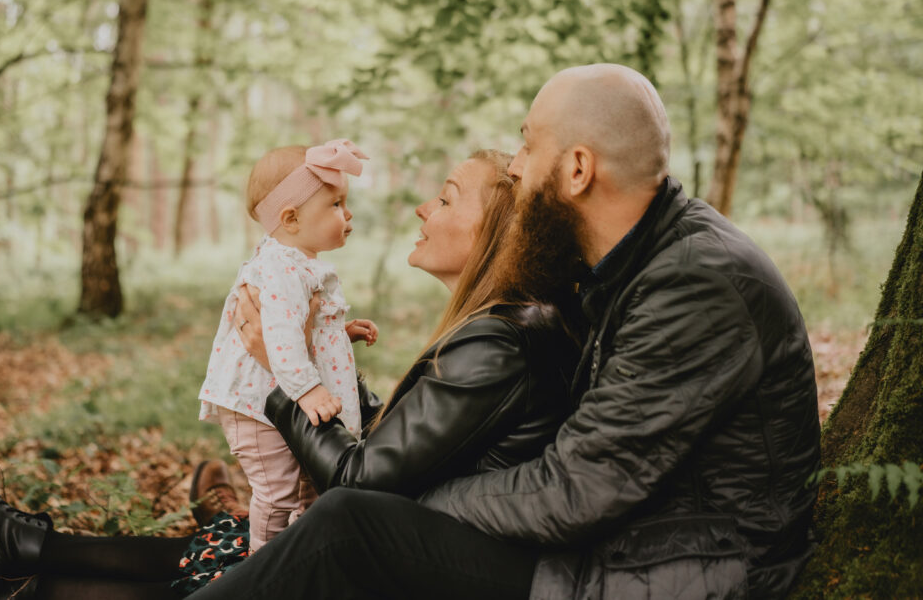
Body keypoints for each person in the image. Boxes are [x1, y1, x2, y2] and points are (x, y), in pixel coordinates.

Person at [178, 63, 821, 599]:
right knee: (347, 520)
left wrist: (410, 499)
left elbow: (575, 489)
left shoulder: (694, 282)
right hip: (636, 543)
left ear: (576, 169)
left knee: (350, 524)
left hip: (683, 571)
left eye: (527, 144)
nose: (516, 166)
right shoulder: (633, 263)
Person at [0, 149, 580, 599]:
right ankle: (17, 550)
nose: (421, 208)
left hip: (418, 551)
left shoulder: (500, 342)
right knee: (231, 543)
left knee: (260, 546)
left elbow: (357, 475)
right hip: (415, 529)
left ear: (496, 234)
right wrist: (329, 358)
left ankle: (20, 555)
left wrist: (282, 376)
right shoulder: (493, 330)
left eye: (444, 198)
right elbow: (407, 444)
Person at [197, 138, 378, 551]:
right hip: (258, 407)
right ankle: (264, 567)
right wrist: (309, 388)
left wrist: (337, 332)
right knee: (277, 494)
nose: (347, 215)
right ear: (291, 218)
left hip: (276, 398)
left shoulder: (295, 263)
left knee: (311, 489)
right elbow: (280, 336)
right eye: (335, 205)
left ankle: (299, 555)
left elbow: (297, 327)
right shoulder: (280, 268)